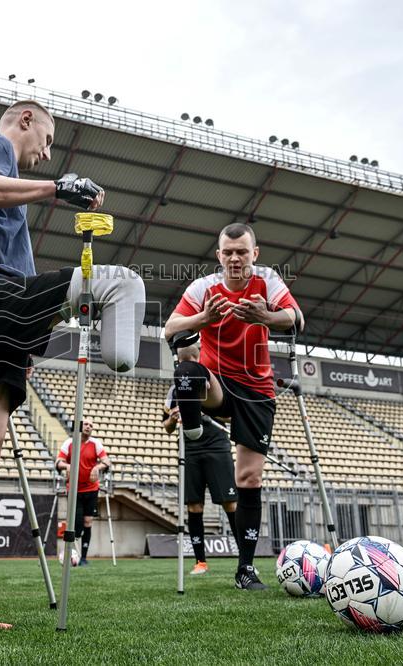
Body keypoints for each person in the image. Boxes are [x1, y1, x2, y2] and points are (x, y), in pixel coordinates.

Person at [0, 100, 145, 631]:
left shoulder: (12, 196)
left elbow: (20, 269)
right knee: (123, 282)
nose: (47, 151)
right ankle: (119, 343)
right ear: (25, 121)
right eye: (47, 137)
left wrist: (29, 340)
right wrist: (56, 188)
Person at [163, 222, 302, 591]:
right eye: (228, 252)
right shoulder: (204, 288)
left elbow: (295, 317)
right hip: (218, 386)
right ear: (219, 255)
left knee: (249, 479)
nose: (235, 258)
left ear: (254, 254)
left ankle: (245, 569)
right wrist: (204, 318)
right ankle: (192, 426)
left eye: (242, 251)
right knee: (188, 372)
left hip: (257, 390)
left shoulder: (267, 280)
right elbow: (170, 328)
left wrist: (265, 317)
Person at [162, 340, 238, 576]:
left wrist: (204, 411)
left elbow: (229, 417)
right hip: (190, 448)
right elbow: (166, 427)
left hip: (217, 445)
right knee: (194, 506)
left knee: (230, 503)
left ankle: (245, 560)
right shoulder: (176, 389)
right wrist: (174, 419)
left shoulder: (215, 381)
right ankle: (200, 562)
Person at [55, 419, 111, 566]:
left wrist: (97, 468)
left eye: (91, 425)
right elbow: (58, 462)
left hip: (91, 489)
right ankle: (72, 553)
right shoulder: (69, 443)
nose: (89, 427)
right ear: (80, 427)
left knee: (88, 522)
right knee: (77, 525)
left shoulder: (96, 444)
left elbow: (107, 462)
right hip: (74, 490)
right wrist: (67, 466)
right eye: (86, 424)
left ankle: (84, 558)